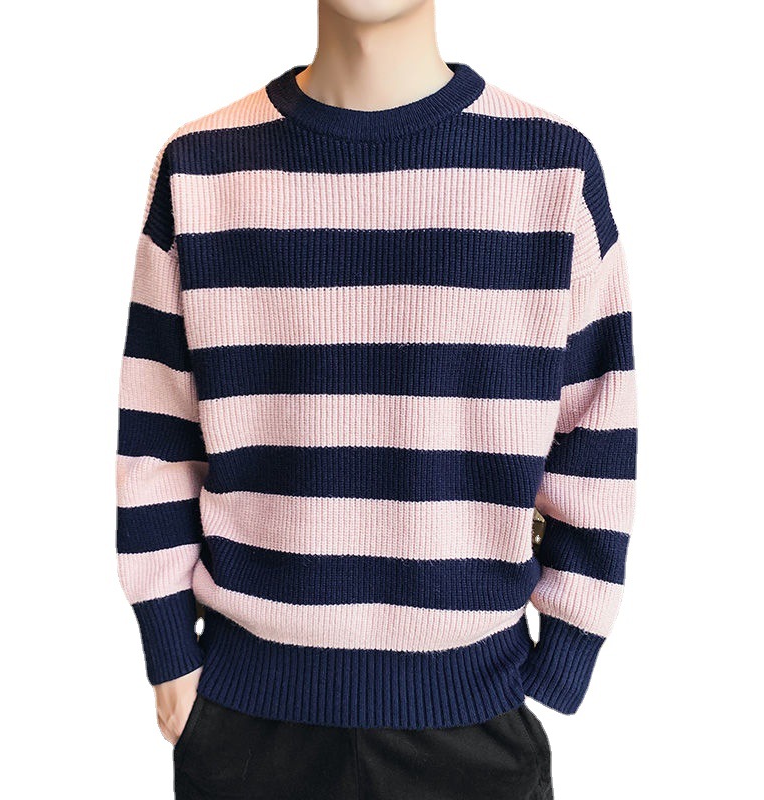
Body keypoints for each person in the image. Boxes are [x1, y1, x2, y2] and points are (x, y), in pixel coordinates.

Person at [115, 1, 637, 797]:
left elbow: (597, 421)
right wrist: (167, 649)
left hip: (472, 720)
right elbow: (157, 429)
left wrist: (567, 647)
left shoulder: (551, 171)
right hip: (246, 723)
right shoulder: (201, 167)